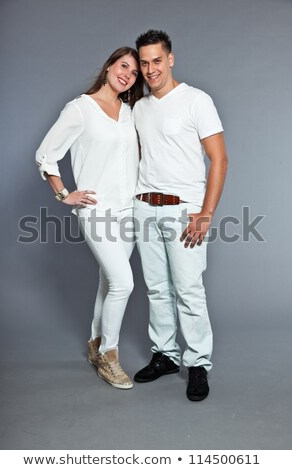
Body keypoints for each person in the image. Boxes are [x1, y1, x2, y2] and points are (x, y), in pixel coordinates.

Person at [35, 47, 144, 390]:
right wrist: (64, 194)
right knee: (123, 283)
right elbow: (46, 154)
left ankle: (95, 344)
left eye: (134, 72)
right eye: (123, 66)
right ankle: (110, 357)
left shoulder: (129, 112)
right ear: (109, 66)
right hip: (96, 211)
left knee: (108, 282)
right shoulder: (81, 108)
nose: (128, 74)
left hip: (128, 210)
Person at [133, 30, 228, 401]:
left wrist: (206, 212)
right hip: (144, 207)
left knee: (188, 289)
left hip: (183, 211)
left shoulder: (196, 101)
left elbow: (219, 159)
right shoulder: (139, 107)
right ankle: (165, 355)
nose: (150, 69)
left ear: (170, 59)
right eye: (144, 62)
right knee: (157, 289)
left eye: (157, 60)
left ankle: (198, 364)